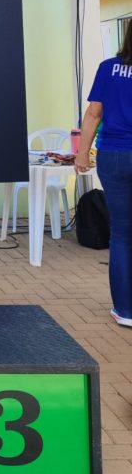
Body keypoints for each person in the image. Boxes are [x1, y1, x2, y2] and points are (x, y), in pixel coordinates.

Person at [75, 23, 132, 328]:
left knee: (121, 234)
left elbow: (93, 114)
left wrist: (82, 153)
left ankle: (125, 310)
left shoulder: (108, 68)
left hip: (113, 156)